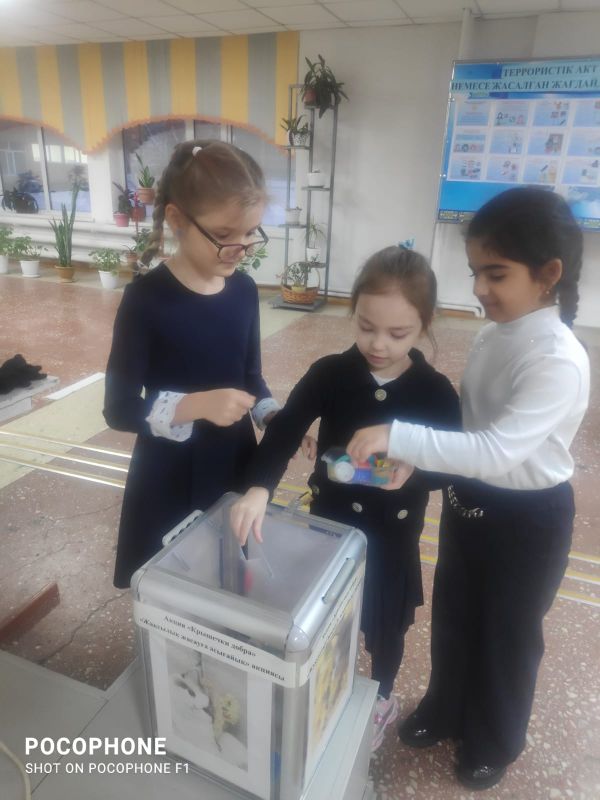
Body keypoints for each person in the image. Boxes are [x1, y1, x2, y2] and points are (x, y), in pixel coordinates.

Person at [346, 188, 590, 789]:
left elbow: (498, 449)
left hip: (528, 520)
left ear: (548, 274)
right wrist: (419, 468)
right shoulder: (494, 334)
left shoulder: (557, 358)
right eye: (476, 271)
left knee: (507, 636)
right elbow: (466, 432)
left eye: (496, 273)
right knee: (454, 616)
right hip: (469, 502)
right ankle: (445, 707)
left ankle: (494, 739)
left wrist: (400, 437)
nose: (479, 287)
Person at [229, 245, 461, 751]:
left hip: (393, 535)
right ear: (353, 311)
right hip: (330, 526)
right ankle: (324, 679)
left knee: (385, 624)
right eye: (366, 326)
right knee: (325, 613)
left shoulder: (435, 390)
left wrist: (416, 469)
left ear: (424, 326)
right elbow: (286, 429)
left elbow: (453, 462)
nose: (378, 344)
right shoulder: (331, 372)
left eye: (398, 333)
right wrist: (258, 488)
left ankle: (381, 695)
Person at [104, 140, 279, 589]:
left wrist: (272, 415)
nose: (240, 248)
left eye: (251, 233)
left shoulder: (244, 292)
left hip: (234, 464)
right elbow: (119, 408)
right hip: (170, 474)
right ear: (177, 219)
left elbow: (250, 375)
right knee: (176, 589)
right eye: (224, 234)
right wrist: (196, 406)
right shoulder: (146, 300)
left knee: (231, 580)